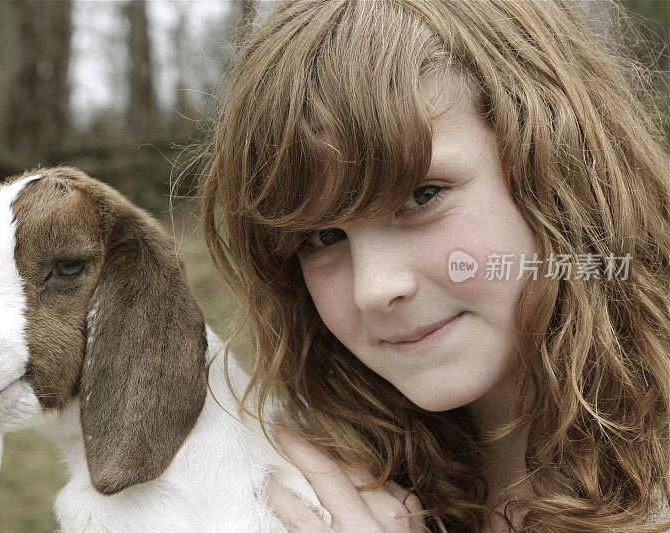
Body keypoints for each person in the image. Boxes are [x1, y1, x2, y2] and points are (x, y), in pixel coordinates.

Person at [198, 0, 670, 531]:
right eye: (321, 236)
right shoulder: (312, 495)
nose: (374, 288)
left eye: (422, 195)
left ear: (560, 165)